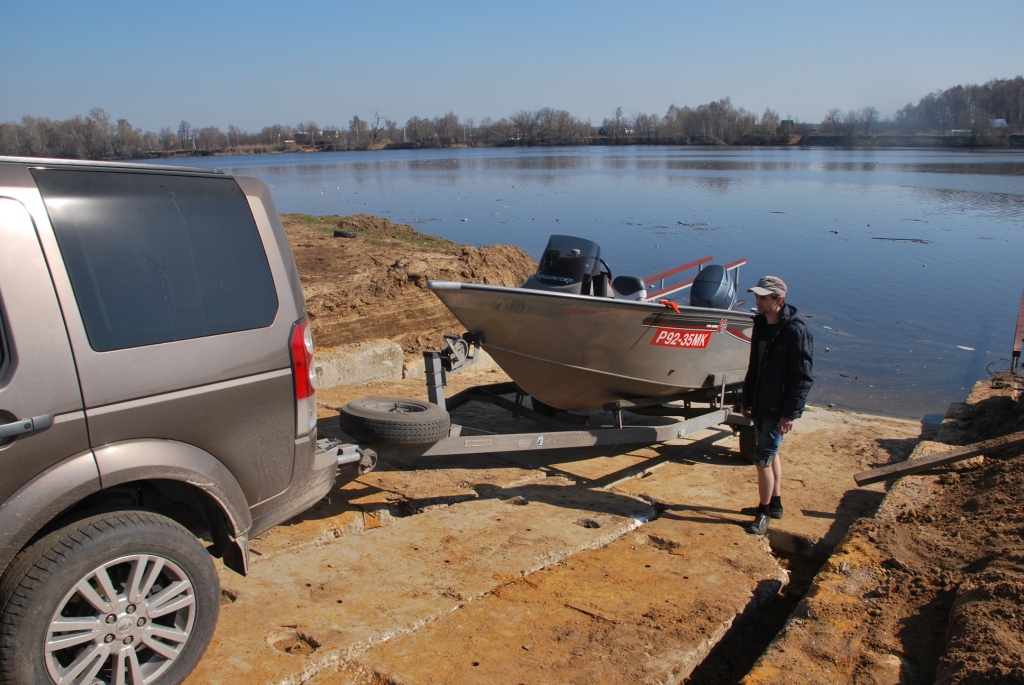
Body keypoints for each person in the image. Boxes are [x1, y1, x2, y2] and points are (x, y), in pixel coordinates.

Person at [740, 276, 814, 535]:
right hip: (760, 402)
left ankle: (763, 513)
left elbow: (802, 376)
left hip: (777, 408)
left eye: (763, 297)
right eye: (757, 296)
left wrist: (790, 413)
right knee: (772, 455)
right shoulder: (761, 323)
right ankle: (776, 503)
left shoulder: (795, 331)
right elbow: (755, 366)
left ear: (778, 300)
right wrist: (746, 399)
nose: (757, 301)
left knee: (762, 459)